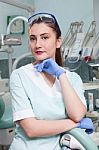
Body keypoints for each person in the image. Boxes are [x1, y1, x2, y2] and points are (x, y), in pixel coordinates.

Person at [9, 12, 89, 150]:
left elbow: (76, 114)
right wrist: (76, 125)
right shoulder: (19, 76)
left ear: (58, 41)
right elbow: (31, 129)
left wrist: (61, 74)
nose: (37, 44)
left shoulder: (72, 78)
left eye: (45, 37)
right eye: (33, 39)